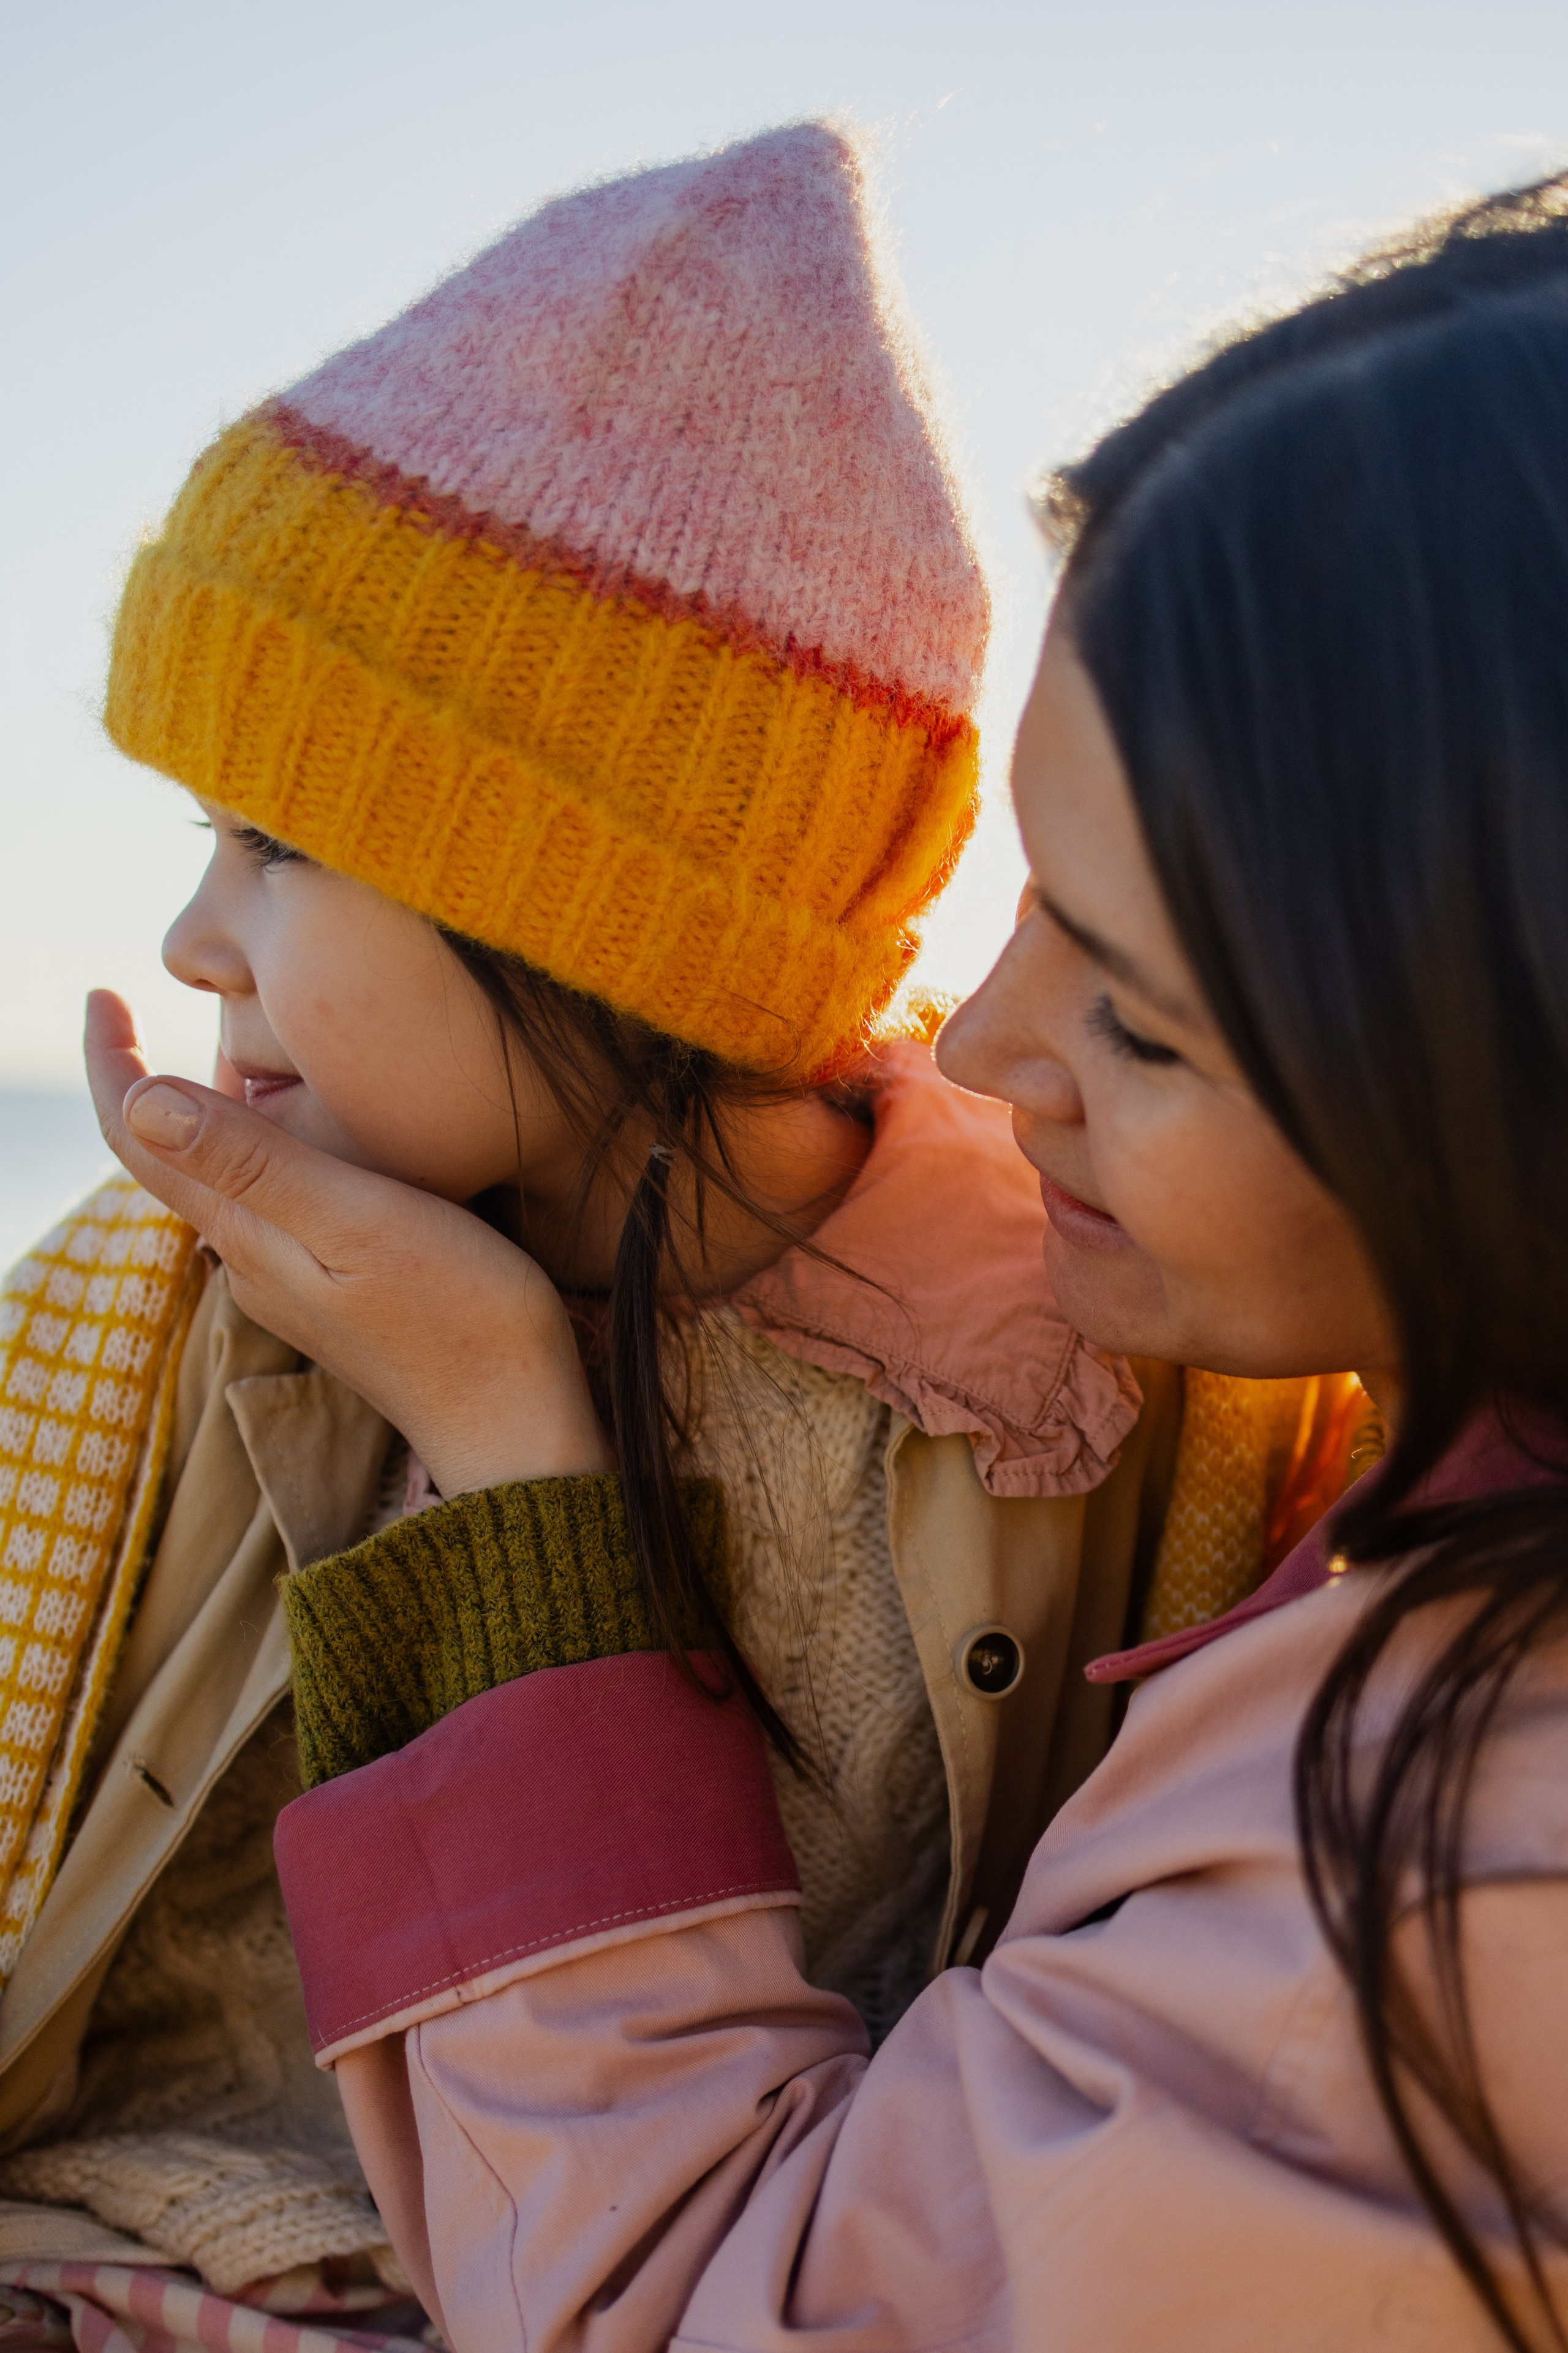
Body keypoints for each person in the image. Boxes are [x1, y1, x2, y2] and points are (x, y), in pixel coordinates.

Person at [85, 170, 1568, 2349]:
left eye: (1141, 1013)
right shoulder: (1371, 1505)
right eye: (1027, 904)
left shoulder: (1451, 1869)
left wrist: (513, 1461)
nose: (975, 1041)